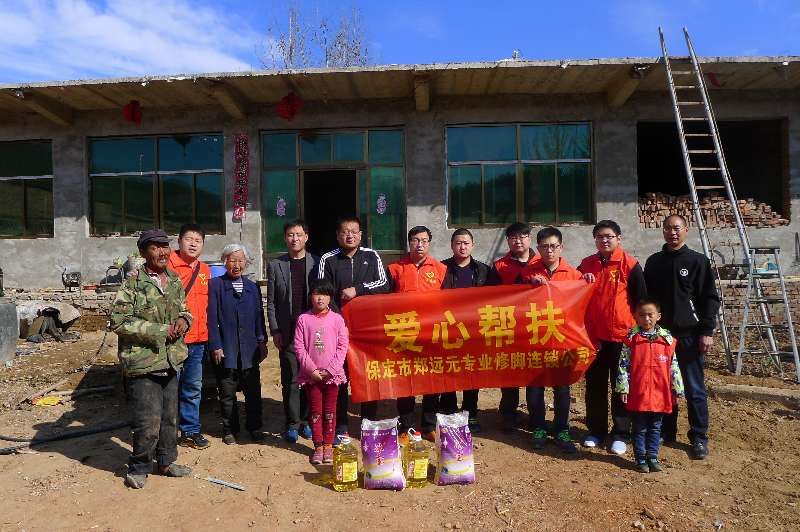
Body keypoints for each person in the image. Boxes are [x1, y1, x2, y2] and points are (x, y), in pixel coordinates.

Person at [110, 229, 193, 489]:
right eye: (155, 247)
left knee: (170, 418)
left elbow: (185, 309)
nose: (162, 252)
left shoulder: (174, 279)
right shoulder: (133, 283)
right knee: (148, 421)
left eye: (165, 246)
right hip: (143, 362)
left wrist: (183, 320)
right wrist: (160, 331)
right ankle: (139, 467)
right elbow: (119, 322)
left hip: (170, 359)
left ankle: (167, 461)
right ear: (144, 252)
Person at [644, 214, 719, 460]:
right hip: (662, 337)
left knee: (694, 388)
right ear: (662, 231)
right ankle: (668, 431)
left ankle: (698, 437)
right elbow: (648, 301)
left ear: (686, 230)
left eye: (677, 228)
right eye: (667, 228)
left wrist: (706, 331)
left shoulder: (697, 261)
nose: (672, 232)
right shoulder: (654, 262)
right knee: (665, 387)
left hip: (689, 335)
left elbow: (709, 298)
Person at [578, 220, 646, 455]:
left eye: (608, 236)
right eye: (599, 237)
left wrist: (640, 333)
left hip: (622, 337)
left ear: (619, 238)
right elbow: (574, 293)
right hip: (595, 337)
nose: (604, 240)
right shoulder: (587, 264)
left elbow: (640, 301)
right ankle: (596, 430)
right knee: (595, 386)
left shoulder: (630, 264)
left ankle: (620, 433)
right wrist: (581, 280)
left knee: (621, 385)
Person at [317, 216, 390, 434]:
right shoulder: (328, 260)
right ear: (338, 235)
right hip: (339, 331)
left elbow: (384, 284)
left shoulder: (371, 255)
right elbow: (323, 291)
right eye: (345, 231)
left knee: (369, 375)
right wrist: (339, 324)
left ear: (360, 234)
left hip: (367, 330)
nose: (350, 235)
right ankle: (341, 426)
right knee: (340, 377)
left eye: (354, 231)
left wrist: (358, 289)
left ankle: (369, 422)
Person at [387, 226, 447, 442]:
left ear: (429, 243)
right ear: (409, 242)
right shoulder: (395, 269)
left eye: (423, 240)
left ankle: (429, 425)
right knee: (406, 380)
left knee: (432, 380)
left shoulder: (441, 269)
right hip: (405, 333)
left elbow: (450, 301)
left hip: (431, 332)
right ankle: (406, 426)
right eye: (415, 240)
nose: (419, 244)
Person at [525, 227, 583, 453]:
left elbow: (582, 301)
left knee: (562, 387)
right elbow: (517, 300)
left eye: (554, 246)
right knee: (535, 386)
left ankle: (561, 429)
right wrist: (530, 285)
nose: (549, 250)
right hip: (536, 337)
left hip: (563, 338)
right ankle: (538, 427)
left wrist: (587, 281)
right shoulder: (529, 272)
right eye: (545, 246)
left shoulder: (573, 274)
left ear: (561, 247)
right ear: (537, 249)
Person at [208, 244, 268, 445]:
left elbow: (260, 317)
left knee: (253, 392)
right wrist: (216, 345)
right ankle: (229, 429)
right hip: (227, 348)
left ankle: (255, 427)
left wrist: (262, 341)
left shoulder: (252, 287)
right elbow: (212, 318)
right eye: (232, 260)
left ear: (246, 262)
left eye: (241, 260)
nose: (237, 264)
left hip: (250, 349)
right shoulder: (216, 285)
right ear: (225, 261)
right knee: (227, 393)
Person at [616, 299, 684, 472]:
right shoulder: (632, 339)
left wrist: (677, 388)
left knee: (655, 426)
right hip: (639, 391)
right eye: (642, 315)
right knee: (639, 427)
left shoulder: (667, 340)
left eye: (650, 315)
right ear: (635, 317)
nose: (646, 319)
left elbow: (673, 365)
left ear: (658, 316)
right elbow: (623, 364)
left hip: (660, 392)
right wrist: (623, 387)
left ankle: (652, 456)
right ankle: (640, 458)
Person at [486, 222, 540, 432]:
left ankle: (536, 417)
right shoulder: (500, 266)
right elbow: (489, 296)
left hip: (536, 326)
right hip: (509, 326)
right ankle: (508, 414)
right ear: (508, 241)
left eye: (523, 236)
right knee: (509, 373)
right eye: (513, 237)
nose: (518, 240)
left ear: (529, 238)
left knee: (535, 374)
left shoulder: (541, 261)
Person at [267, 220, 317, 443]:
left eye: (299, 234)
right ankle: (292, 423)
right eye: (290, 235)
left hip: (312, 332)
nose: (294, 239)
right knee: (291, 379)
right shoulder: (276, 265)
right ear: (285, 238)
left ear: (306, 237)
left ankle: (307, 421)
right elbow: (271, 302)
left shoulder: (317, 263)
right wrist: (275, 329)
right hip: (287, 332)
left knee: (311, 378)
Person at [437, 228, 490, 433]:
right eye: (458, 243)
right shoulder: (441, 269)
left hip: (474, 330)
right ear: (452, 245)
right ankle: (449, 411)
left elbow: (497, 298)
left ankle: (471, 412)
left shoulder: (484, 270)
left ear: (472, 245)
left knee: (471, 373)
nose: (462, 246)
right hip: (448, 328)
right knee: (449, 370)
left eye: (466, 243)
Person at [294, 279, 349, 465]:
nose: (320, 298)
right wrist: (312, 370)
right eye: (316, 294)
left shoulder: (337, 319)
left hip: (332, 377)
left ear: (330, 298)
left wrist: (331, 370)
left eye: (324, 295)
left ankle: (328, 446)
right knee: (316, 412)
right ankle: (317, 445)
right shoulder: (303, 319)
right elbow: (299, 347)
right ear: (311, 296)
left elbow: (343, 346)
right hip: (312, 377)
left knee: (330, 412)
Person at [168, 223, 212, 450]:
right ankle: (165, 433)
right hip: (173, 340)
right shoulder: (166, 266)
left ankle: (190, 431)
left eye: (198, 240)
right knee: (168, 388)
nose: (193, 243)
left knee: (193, 388)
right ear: (179, 241)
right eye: (189, 239)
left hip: (198, 340)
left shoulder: (205, 270)